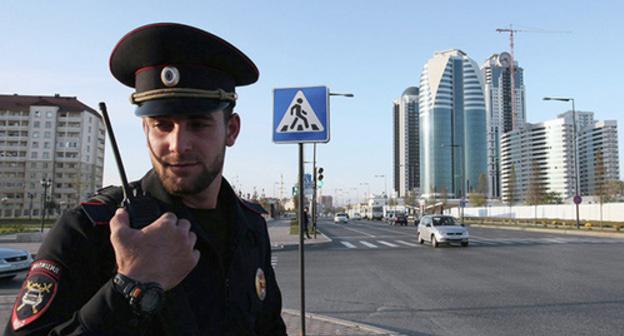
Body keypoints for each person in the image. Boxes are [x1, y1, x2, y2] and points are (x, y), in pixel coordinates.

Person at [6, 23, 287, 336]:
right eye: (162, 126)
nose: (178, 146)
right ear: (145, 131)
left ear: (231, 130)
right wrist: (130, 288)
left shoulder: (250, 226)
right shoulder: (91, 228)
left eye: (198, 124)